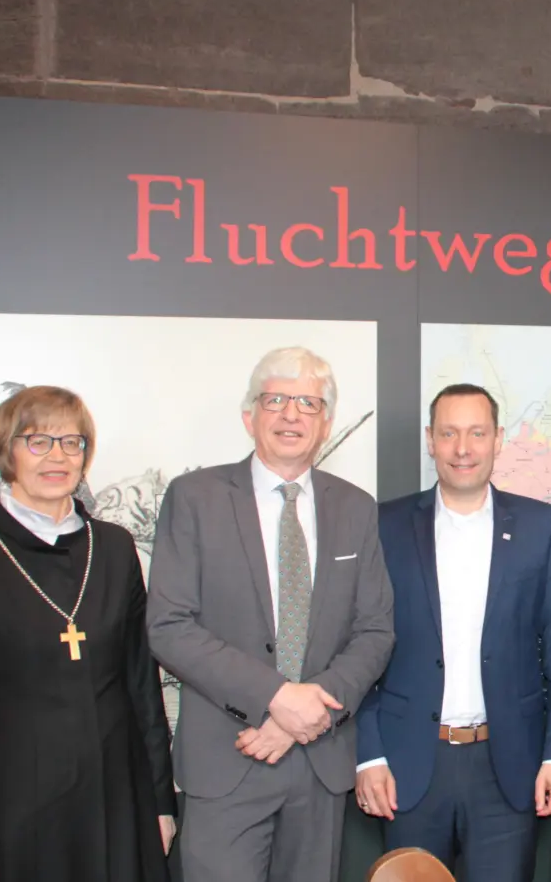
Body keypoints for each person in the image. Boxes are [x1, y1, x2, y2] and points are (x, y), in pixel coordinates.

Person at [146, 346, 395, 882]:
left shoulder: (355, 507)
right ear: (249, 415)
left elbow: (375, 631)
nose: (291, 415)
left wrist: (307, 718)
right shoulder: (195, 497)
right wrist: (278, 699)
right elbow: (169, 625)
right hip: (228, 759)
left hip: (318, 763)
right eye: (276, 399)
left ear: (325, 423)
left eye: (308, 403)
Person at [0, 385, 176, 882]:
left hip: (120, 806)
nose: (57, 456)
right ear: (7, 452)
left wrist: (161, 804)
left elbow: (143, 688)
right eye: (38, 441)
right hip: (19, 817)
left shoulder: (115, 548)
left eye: (72, 442)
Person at [354, 383, 551, 881]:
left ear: (498, 439)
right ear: (429, 440)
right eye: (450, 433)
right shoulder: (383, 526)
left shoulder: (540, 527)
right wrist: (368, 753)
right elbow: (358, 648)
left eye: (477, 433)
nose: (463, 448)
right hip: (408, 767)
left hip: (508, 769)